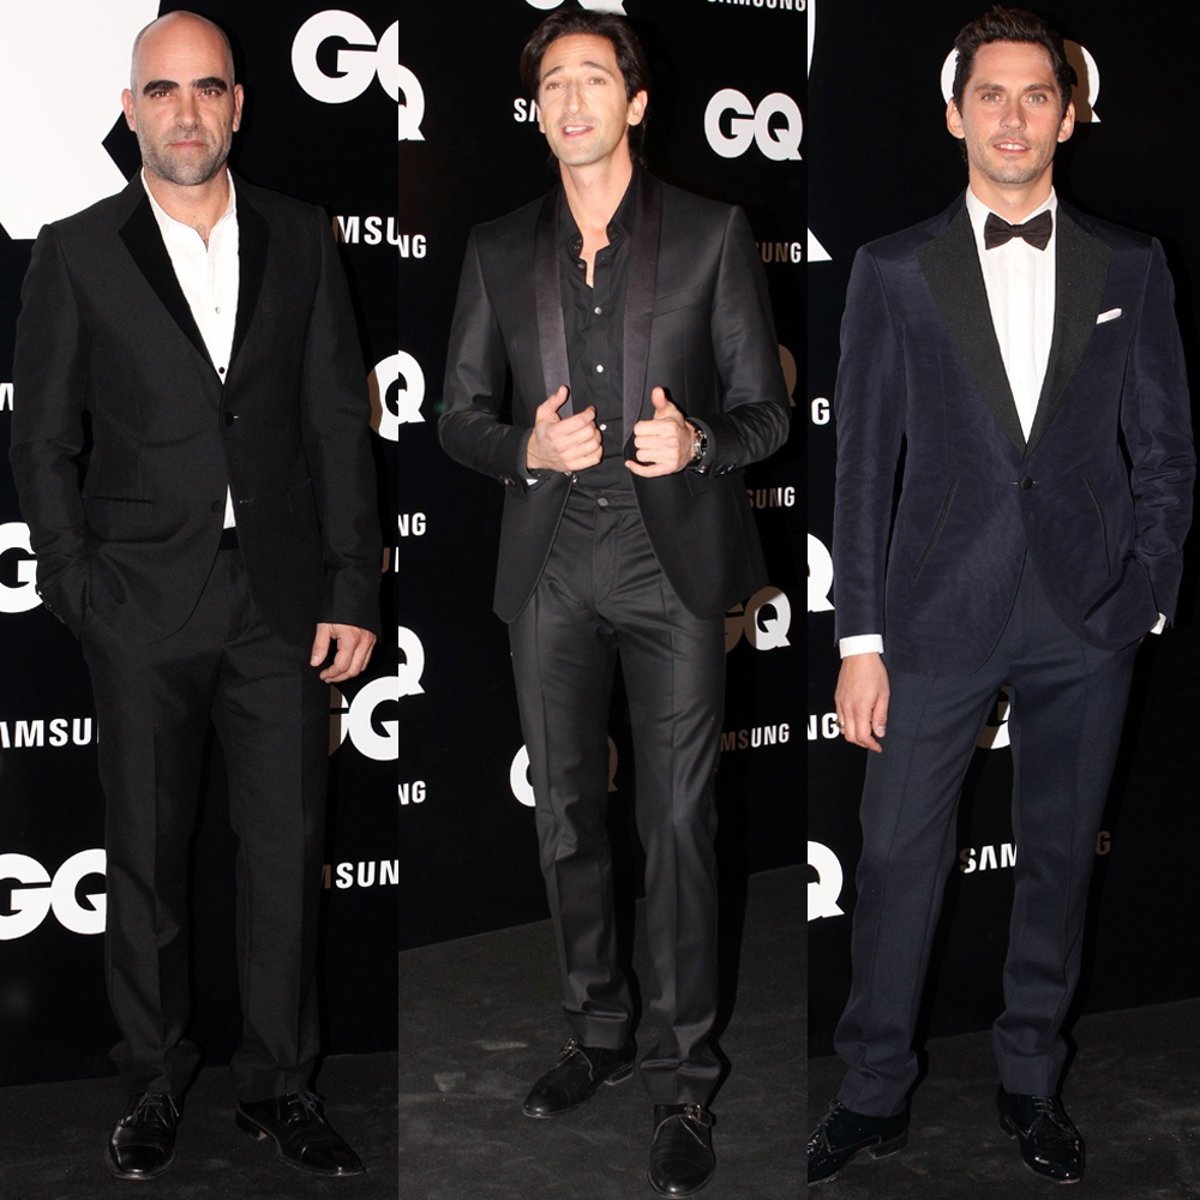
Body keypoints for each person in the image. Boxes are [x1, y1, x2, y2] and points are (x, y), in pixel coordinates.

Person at [808, 5, 1195, 1187]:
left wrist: (1148, 595)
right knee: (896, 861)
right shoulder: (892, 268)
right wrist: (860, 635)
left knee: (1059, 863)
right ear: (954, 115)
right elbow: (863, 463)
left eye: (1037, 95)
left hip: (1088, 616)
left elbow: (1165, 448)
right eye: (992, 95)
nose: (1013, 117)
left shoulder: (1132, 264)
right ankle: (872, 1091)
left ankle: (1031, 1080)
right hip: (933, 616)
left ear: (1070, 116)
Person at [9, 12, 381, 1181]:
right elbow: (41, 442)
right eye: (161, 91)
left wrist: (353, 584)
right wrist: (76, 584)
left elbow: (337, 421)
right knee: (146, 867)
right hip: (138, 602)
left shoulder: (302, 235)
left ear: (238, 106)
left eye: (206, 88)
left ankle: (281, 1086)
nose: (185, 112)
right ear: (131, 110)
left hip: (281, 601)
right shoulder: (76, 251)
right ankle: (153, 1085)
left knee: (284, 859)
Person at [439, 9, 789, 1195]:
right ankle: (596, 1029)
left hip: (668, 566)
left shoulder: (710, 233)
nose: (573, 98)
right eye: (554, 82)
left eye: (595, 78)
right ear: (536, 109)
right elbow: (456, 416)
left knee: (679, 825)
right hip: (549, 564)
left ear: (636, 102)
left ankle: (682, 1081)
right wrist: (526, 449)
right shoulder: (496, 246)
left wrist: (700, 442)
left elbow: (767, 411)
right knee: (566, 818)